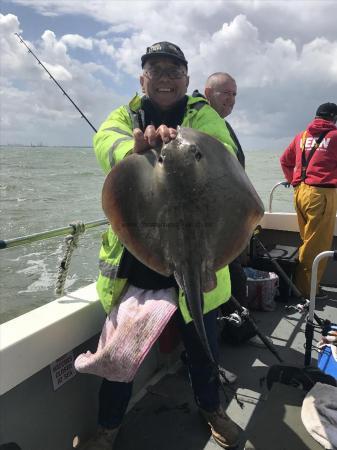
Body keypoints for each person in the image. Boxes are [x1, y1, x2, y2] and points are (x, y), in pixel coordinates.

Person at [82, 42, 240, 450]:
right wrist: (133, 150)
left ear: (187, 80)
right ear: (142, 79)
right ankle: (108, 427)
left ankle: (211, 409)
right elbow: (106, 142)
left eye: (175, 71)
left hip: (200, 251)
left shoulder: (203, 114)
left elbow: (225, 151)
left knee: (204, 345)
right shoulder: (125, 115)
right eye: (156, 70)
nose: (166, 78)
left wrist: (182, 141)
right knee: (121, 354)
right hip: (140, 252)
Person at [280, 102, 337, 300]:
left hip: (300, 194)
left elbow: (284, 161)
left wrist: (293, 182)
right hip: (321, 196)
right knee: (317, 246)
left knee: (308, 242)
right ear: (333, 118)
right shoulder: (335, 137)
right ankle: (306, 291)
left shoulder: (301, 136)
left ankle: (302, 286)